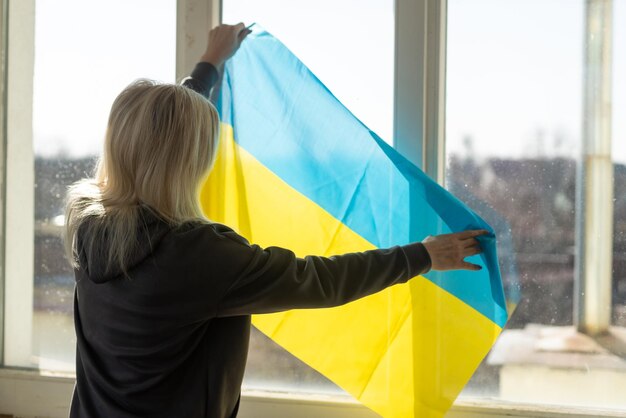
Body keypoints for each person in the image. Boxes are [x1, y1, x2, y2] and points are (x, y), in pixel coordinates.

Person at [64, 23, 487, 418]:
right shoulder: (198, 255)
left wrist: (209, 64)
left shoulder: (86, 222)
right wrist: (424, 255)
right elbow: (321, 279)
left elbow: (157, 131)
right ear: (188, 162)